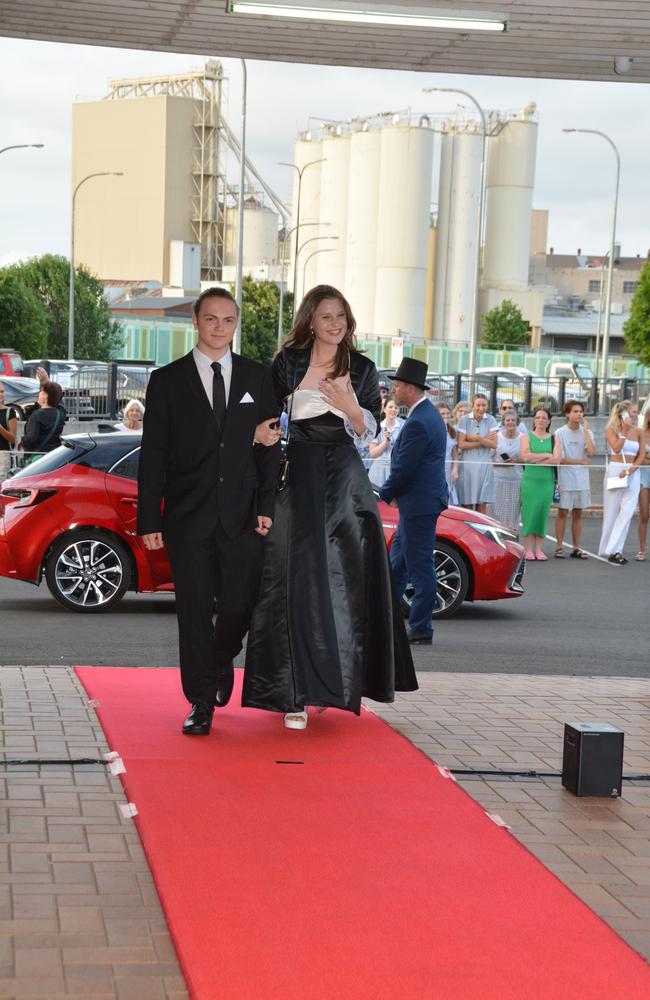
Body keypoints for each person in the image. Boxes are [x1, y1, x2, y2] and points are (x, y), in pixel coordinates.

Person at [243, 285, 417, 730]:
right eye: (325, 316)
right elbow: (264, 418)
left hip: (344, 479)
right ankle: (294, 693)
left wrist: (350, 407)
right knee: (291, 580)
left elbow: (367, 433)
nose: (335, 323)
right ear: (311, 321)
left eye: (341, 315)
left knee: (346, 584)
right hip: (297, 473)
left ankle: (337, 682)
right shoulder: (288, 362)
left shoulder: (361, 367)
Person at [137, 287, 282, 736]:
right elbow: (154, 455)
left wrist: (266, 506)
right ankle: (200, 701)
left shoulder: (258, 378)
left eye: (228, 320)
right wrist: (149, 520)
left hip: (242, 516)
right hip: (188, 517)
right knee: (194, 612)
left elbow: (270, 449)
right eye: (212, 319)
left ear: (236, 324)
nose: (220, 328)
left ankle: (220, 661)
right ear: (196, 322)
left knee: (240, 605)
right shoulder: (167, 380)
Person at [379, 358, 448, 645]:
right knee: (397, 565)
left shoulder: (420, 421)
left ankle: (420, 627)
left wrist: (384, 493)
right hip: (417, 502)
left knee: (419, 567)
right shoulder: (426, 416)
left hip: (418, 504)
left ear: (410, 388)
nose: (393, 391)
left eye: (397, 386)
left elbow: (405, 467)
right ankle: (388, 622)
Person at [598, 401, 644, 564]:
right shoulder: (612, 430)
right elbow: (616, 448)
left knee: (628, 512)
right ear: (624, 414)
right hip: (616, 470)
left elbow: (642, 453)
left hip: (633, 472)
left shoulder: (639, 431)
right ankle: (608, 549)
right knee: (612, 512)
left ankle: (616, 549)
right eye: (633, 412)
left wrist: (632, 469)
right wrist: (623, 432)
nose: (636, 415)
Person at [552, 400, 595, 560]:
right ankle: (559, 547)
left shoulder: (587, 432)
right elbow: (559, 458)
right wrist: (579, 462)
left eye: (580, 411)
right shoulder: (560, 433)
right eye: (575, 411)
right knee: (563, 512)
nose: (578, 414)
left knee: (578, 513)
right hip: (565, 478)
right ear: (567, 414)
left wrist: (586, 432)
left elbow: (591, 452)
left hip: (582, 479)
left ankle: (576, 548)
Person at [520, 406, 555, 560]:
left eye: (544, 418)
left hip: (547, 482)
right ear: (534, 420)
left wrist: (536, 457)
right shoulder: (526, 437)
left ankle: (539, 549)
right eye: (538, 417)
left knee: (542, 514)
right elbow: (525, 457)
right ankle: (528, 549)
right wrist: (546, 455)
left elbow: (556, 459)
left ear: (549, 421)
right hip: (530, 481)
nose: (541, 420)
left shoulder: (555, 438)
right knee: (529, 514)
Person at [457, 394, 497, 513]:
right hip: (467, 467)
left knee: (481, 504)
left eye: (484, 405)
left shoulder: (491, 419)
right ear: (473, 406)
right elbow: (461, 444)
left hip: (484, 466)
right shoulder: (464, 420)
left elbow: (494, 444)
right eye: (478, 405)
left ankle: (480, 531)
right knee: (467, 504)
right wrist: (484, 441)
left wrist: (477, 438)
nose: (481, 408)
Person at [487, 409, 522, 533]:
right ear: (503, 422)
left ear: (517, 422)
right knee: (495, 511)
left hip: (516, 480)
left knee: (513, 513)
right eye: (508, 420)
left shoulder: (523, 438)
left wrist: (516, 460)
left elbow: (526, 458)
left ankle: (512, 539)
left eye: (513, 420)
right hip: (498, 479)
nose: (510, 422)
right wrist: (502, 465)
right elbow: (488, 459)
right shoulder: (497, 437)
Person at [21, 382, 67, 461]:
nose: (40, 393)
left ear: (46, 396)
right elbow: (59, 401)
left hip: (38, 459)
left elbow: (31, 439)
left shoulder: (36, 415)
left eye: (42, 391)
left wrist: (23, 440)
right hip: (55, 456)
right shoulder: (61, 413)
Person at [368, 396, 404, 488]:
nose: (393, 410)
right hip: (378, 472)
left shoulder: (404, 426)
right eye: (390, 407)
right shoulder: (376, 427)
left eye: (396, 407)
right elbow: (373, 454)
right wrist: (385, 443)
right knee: (378, 501)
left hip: (397, 470)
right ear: (384, 409)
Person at [436, 402, 459, 504]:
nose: (446, 416)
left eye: (447, 413)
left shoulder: (452, 431)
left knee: (448, 497)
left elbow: (454, 453)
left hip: (448, 470)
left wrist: (455, 469)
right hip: (435, 469)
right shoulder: (432, 429)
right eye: (442, 413)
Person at [636, 407, 650, 561]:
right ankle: (642, 550)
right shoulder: (641, 433)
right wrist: (645, 457)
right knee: (644, 514)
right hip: (644, 475)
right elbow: (639, 458)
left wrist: (647, 457)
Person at [451, 400, 470, 504]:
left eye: (466, 412)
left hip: (469, 467)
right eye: (460, 411)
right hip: (454, 467)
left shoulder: (473, 430)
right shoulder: (451, 429)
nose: (463, 414)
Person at [0, 383, 18, 480]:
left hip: (3, 456)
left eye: (2, 391)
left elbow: (12, 439)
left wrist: (1, 429)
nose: (1, 394)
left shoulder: (9, 412)